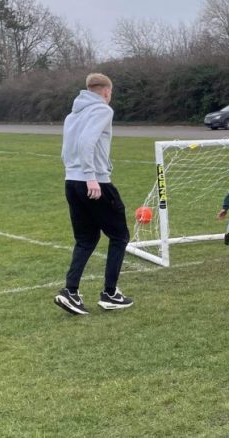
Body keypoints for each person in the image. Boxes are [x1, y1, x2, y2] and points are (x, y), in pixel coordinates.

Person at [55, 73, 133, 315]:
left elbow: (67, 149)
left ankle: (71, 291)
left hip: (71, 182)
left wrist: (75, 174)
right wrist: (91, 177)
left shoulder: (72, 115)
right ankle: (110, 294)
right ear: (106, 92)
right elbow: (87, 142)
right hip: (94, 182)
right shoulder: (102, 110)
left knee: (86, 239)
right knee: (119, 236)